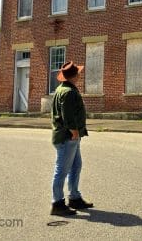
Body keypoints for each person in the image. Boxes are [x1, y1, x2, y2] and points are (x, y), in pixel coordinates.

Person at [50, 60, 94, 216]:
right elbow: (67, 114)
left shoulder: (63, 89)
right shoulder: (68, 92)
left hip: (69, 136)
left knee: (76, 166)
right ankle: (57, 203)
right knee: (62, 170)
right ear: (74, 76)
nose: (80, 75)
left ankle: (74, 197)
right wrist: (74, 131)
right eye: (78, 73)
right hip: (67, 136)